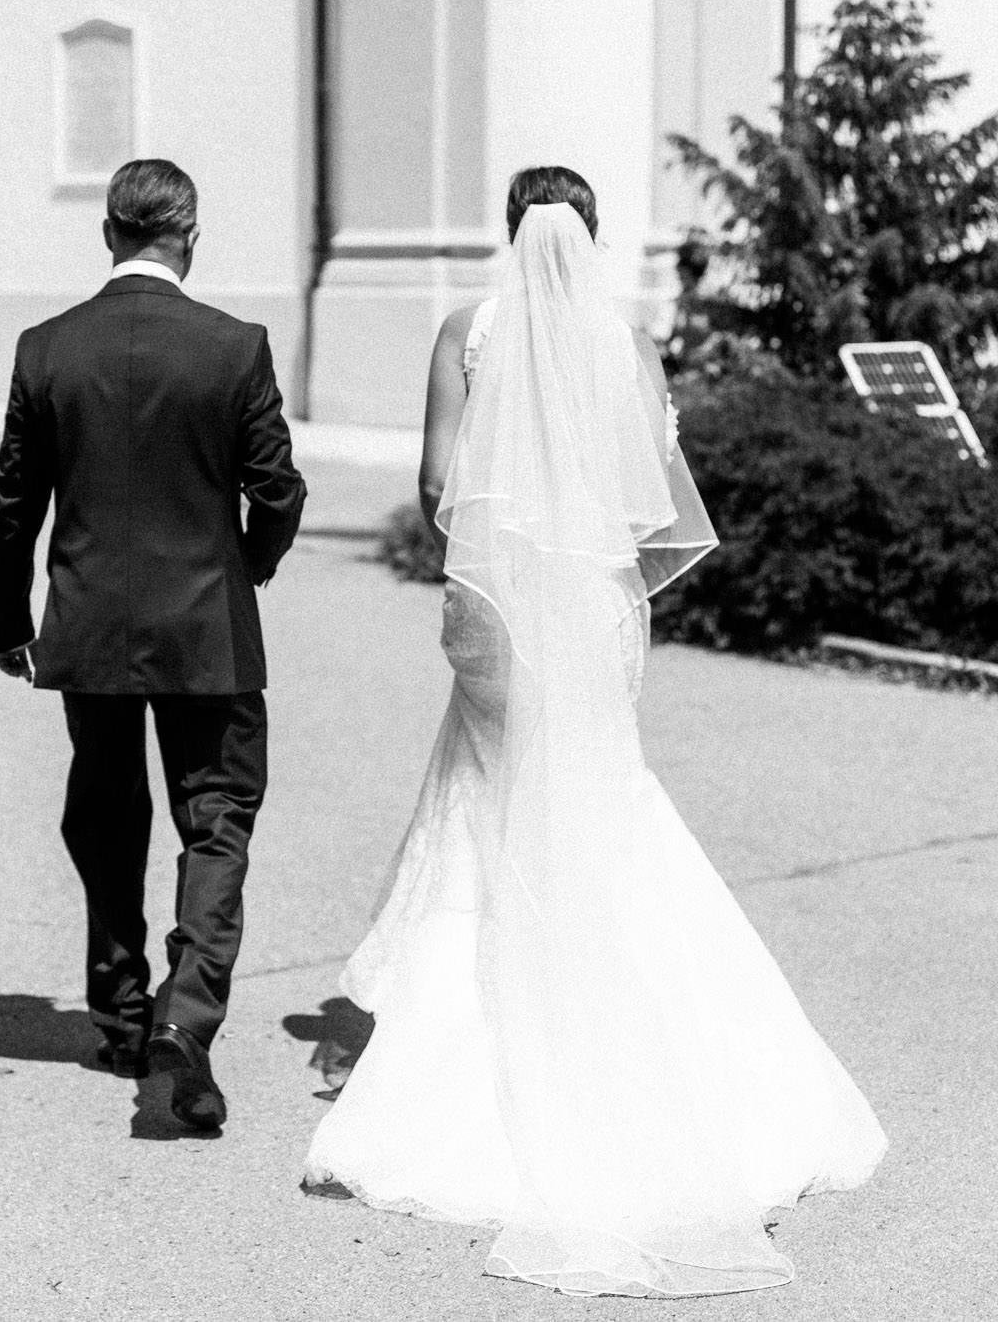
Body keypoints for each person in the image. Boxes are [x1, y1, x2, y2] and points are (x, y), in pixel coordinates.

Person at [301, 167, 886, 1296]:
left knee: (486, 794)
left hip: (496, 610)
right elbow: (653, 498)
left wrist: (490, 549)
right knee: (599, 792)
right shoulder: (621, 343)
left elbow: (435, 484)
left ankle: (466, 1039)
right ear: (594, 237)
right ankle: (633, 1014)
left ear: (506, 233)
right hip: (596, 611)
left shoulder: (465, 330)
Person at [0, 159, 307, 1131]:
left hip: (88, 628)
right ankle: (187, 1016)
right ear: (189, 235)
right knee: (214, 819)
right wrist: (245, 565)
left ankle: (122, 1011)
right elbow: (278, 488)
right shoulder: (231, 347)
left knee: (106, 812)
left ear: (107, 235)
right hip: (206, 627)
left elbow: (12, 504)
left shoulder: (46, 349)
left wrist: (10, 623)